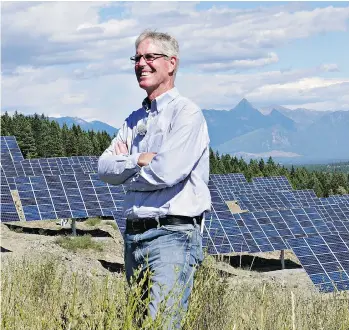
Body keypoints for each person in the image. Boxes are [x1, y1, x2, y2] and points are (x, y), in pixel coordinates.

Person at [98, 29, 211, 328]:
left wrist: (125, 173)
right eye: (137, 57)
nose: (141, 63)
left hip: (171, 237)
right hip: (133, 237)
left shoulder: (187, 114)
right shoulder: (134, 119)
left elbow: (166, 172)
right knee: (136, 324)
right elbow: (103, 167)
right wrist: (137, 160)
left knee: (161, 324)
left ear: (171, 63)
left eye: (150, 57)